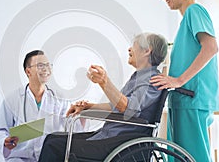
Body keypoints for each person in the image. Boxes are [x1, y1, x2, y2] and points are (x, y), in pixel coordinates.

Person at [38, 33, 168, 162]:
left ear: (146, 51)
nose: (129, 49)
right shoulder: (139, 77)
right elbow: (115, 106)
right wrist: (88, 107)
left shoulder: (152, 80)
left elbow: (127, 108)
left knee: (54, 146)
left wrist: (104, 82)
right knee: (52, 138)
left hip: (121, 142)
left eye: (134, 45)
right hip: (111, 135)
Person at [150, 0, 219, 162]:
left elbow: (211, 47)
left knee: (192, 158)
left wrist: (179, 80)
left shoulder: (195, 11)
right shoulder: (185, 21)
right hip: (184, 99)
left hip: (192, 97)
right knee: (179, 157)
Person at [0, 50, 84, 162]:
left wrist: (80, 114)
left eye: (48, 65)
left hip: (51, 157)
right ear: (28, 71)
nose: (46, 69)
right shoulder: (13, 99)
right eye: (40, 65)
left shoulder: (60, 98)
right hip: (20, 158)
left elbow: (72, 128)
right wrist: (5, 140)